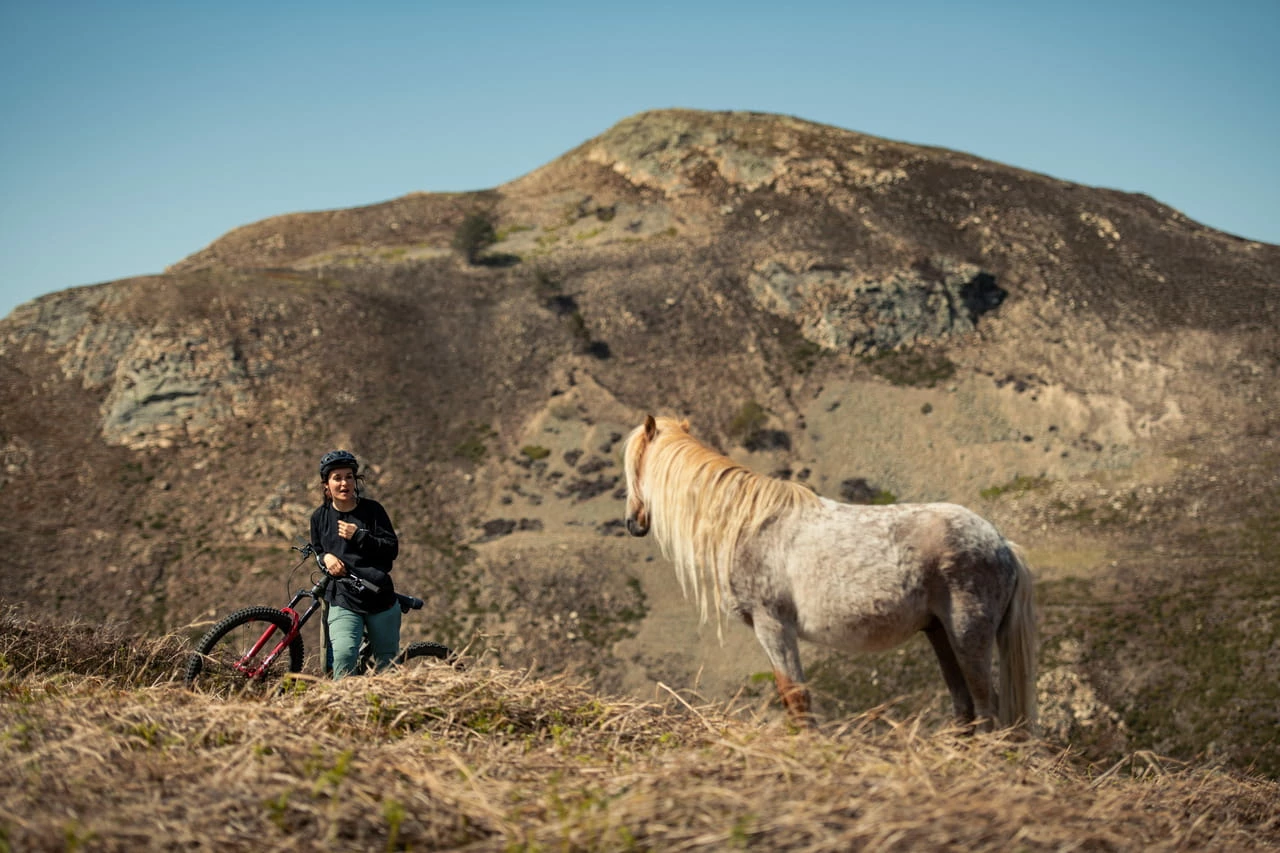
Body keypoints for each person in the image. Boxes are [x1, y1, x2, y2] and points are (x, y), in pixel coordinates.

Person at [310, 450, 401, 678]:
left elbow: (391, 550)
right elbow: (318, 550)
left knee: (387, 666)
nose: (344, 483)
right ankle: (344, 708)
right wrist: (324, 558)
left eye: (349, 476)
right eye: (337, 478)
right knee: (344, 654)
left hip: (380, 599)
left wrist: (360, 536)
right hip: (343, 598)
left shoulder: (373, 511)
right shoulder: (319, 517)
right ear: (326, 486)